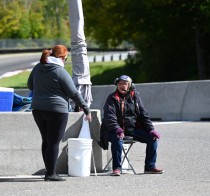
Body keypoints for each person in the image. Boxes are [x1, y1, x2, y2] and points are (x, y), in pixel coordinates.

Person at [28, 45, 92, 181]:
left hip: (38, 109)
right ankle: (51, 174)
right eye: (66, 58)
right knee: (53, 142)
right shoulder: (59, 71)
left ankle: (49, 170)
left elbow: (30, 85)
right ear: (62, 57)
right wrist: (86, 108)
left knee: (46, 141)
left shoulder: (38, 67)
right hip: (57, 111)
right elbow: (73, 92)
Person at [101, 75, 163, 176]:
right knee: (117, 139)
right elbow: (109, 117)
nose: (122, 86)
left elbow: (143, 114)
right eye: (120, 84)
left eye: (125, 84)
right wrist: (117, 129)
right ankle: (117, 168)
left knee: (153, 138)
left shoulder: (135, 97)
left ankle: (150, 167)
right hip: (113, 130)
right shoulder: (111, 98)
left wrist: (151, 129)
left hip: (131, 129)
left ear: (130, 85)